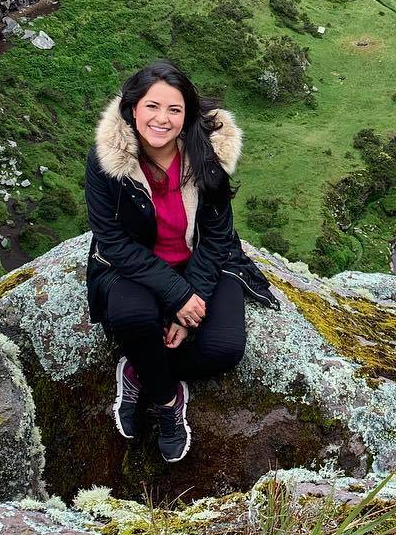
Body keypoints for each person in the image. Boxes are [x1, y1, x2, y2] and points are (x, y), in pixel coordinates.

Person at [84, 59, 274, 462]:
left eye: (174, 109)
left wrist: (190, 304)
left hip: (202, 260)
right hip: (134, 265)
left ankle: (138, 370)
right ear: (132, 108)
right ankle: (168, 400)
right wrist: (177, 295)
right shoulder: (107, 159)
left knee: (224, 350)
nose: (162, 119)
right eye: (152, 106)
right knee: (132, 318)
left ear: (187, 116)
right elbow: (113, 241)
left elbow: (218, 235)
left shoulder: (208, 154)